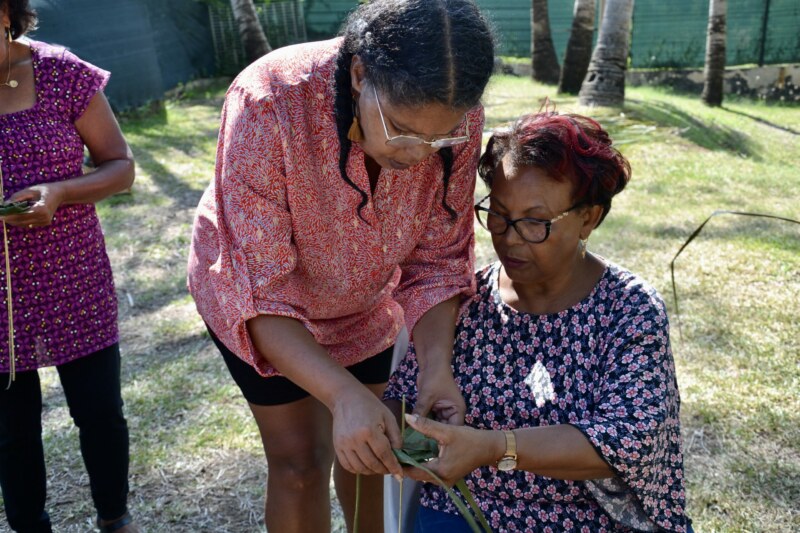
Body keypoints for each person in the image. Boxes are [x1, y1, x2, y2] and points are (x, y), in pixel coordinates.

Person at [186, 0, 494, 531]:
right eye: (400, 129)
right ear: (359, 75)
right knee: (300, 463)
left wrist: (436, 371)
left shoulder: (457, 124)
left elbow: (439, 261)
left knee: (372, 455)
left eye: (436, 137)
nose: (418, 154)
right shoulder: (270, 100)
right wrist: (342, 395)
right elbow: (259, 291)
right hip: (261, 304)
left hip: (365, 303)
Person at [385, 112, 689, 532]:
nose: (509, 237)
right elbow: (403, 401)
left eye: (534, 222)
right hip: (460, 511)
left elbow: (629, 441)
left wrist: (493, 448)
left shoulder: (628, 309)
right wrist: (387, 428)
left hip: (585, 520)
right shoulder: (460, 304)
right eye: (499, 213)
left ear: (589, 218)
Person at [0, 1, 137, 532]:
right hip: (1, 294)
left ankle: (114, 519)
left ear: (9, 10)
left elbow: (120, 167)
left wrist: (59, 192)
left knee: (99, 413)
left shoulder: (62, 72)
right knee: (11, 431)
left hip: (72, 276)